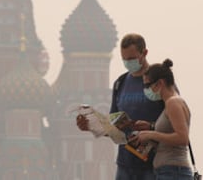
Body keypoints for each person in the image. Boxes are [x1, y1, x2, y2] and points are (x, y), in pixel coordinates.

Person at [77, 33, 164, 180]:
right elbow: (113, 129)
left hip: (154, 166)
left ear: (144, 53)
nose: (128, 62)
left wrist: (151, 126)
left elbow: (177, 121)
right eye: (124, 59)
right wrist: (91, 126)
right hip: (125, 165)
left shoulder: (159, 81)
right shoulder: (120, 83)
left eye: (131, 59)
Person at [134, 59, 192, 179]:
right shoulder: (172, 102)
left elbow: (182, 138)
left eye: (147, 85)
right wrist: (151, 127)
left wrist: (151, 134)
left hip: (173, 171)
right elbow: (171, 130)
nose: (146, 90)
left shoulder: (172, 103)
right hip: (169, 171)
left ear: (160, 83)